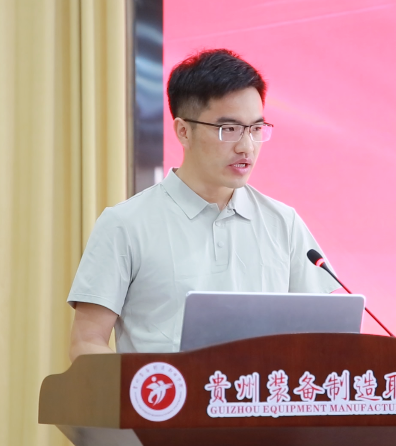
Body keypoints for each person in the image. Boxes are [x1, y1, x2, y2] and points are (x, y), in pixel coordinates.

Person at [67, 49, 338, 361]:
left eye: (256, 129)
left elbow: (325, 336)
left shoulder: (283, 222)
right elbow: (86, 343)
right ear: (184, 131)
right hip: (169, 392)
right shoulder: (125, 225)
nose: (246, 146)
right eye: (229, 129)